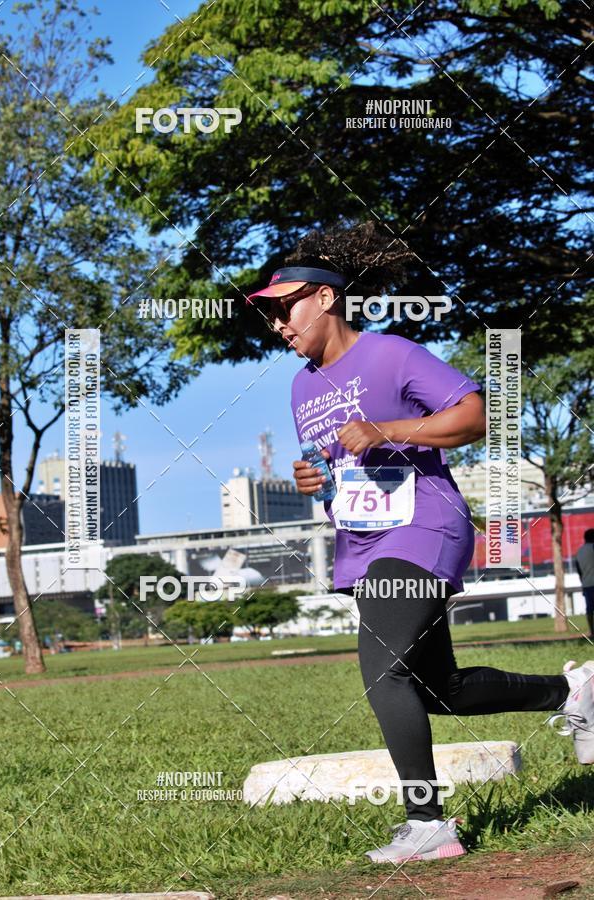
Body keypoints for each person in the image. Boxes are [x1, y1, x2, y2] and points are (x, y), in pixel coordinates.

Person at [246, 223, 594, 865]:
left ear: (325, 299)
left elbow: (477, 414)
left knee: (382, 668)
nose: (277, 325)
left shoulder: (392, 354)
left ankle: (427, 824)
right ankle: (571, 694)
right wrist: (313, 478)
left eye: (284, 307)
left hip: (423, 526)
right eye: (268, 315)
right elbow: (335, 463)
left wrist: (385, 428)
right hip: (361, 541)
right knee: (438, 689)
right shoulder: (301, 386)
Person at [576, 529, 594, 640]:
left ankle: (592, 631)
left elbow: (579, 570)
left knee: (590, 610)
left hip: (586, 584)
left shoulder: (579, 551)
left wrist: (583, 584)